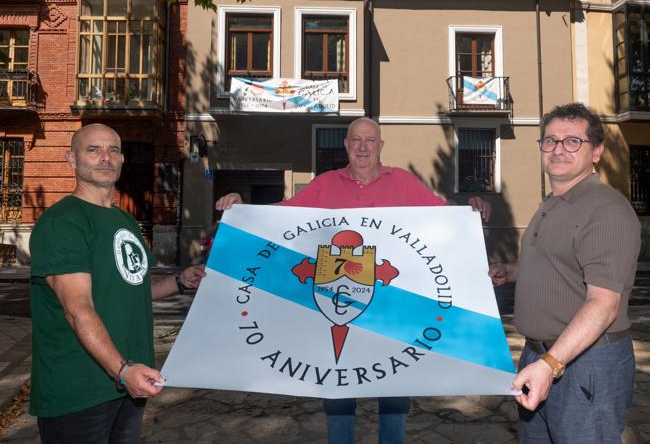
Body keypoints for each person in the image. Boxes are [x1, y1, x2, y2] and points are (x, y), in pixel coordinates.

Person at [216, 117, 491, 444]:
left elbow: (445, 219)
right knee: (338, 390)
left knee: (394, 388)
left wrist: (472, 210)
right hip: (335, 306)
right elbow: (281, 216)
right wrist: (240, 208)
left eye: (370, 140)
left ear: (381, 146)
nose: (363, 146)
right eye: (356, 140)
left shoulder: (402, 182)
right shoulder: (324, 184)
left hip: (390, 309)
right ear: (345, 145)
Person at [29, 123, 206, 444]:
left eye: (113, 150)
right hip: (79, 387)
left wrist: (180, 281)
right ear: (71, 159)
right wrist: (122, 371)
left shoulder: (125, 221)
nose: (105, 158)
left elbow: (135, 289)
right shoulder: (63, 222)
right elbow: (77, 309)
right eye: (93, 150)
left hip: (128, 381)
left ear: (123, 159)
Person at [489, 103, 640, 443]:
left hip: (584, 364)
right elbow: (565, 264)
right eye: (550, 141)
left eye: (573, 141)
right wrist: (511, 271)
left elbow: (603, 304)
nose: (558, 149)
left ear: (597, 152)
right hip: (541, 355)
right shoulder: (553, 202)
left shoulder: (606, 211)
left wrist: (550, 365)